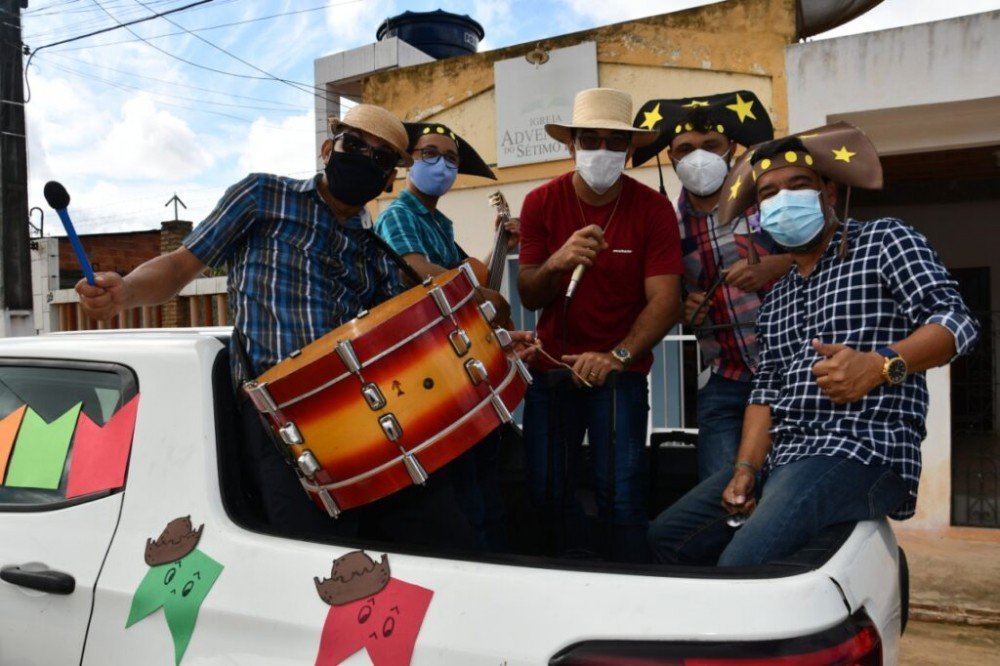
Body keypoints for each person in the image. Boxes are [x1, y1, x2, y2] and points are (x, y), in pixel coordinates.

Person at [75, 104, 480, 548]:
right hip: (279, 420)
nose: (365, 158)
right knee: (312, 556)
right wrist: (125, 291)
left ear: (389, 179)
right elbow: (179, 265)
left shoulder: (376, 249)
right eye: (354, 145)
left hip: (360, 417)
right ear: (328, 149)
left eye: (381, 157)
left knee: (439, 541)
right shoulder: (262, 196)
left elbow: (401, 338)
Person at [648, 123, 979, 567]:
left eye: (798, 185)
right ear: (759, 210)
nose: (783, 199)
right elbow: (765, 390)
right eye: (769, 193)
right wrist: (745, 469)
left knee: (740, 565)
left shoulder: (885, 240)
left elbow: (956, 321)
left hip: (863, 449)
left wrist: (880, 366)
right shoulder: (777, 296)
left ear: (828, 192)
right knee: (665, 538)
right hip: (783, 458)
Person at [517, 88, 683, 562]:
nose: (602, 151)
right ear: (571, 145)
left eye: (615, 142)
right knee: (545, 490)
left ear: (630, 150)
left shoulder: (652, 209)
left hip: (619, 375)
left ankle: (628, 588)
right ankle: (570, 572)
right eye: (591, 140)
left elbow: (666, 300)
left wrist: (617, 357)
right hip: (552, 370)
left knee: (622, 495)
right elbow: (529, 293)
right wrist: (557, 262)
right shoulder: (539, 202)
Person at [632, 91, 792, 480]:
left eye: (710, 145)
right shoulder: (667, 228)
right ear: (670, 157)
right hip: (726, 380)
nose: (698, 157)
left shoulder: (769, 200)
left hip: (792, 371)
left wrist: (775, 265)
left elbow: (826, 253)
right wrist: (686, 309)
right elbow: (666, 298)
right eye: (685, 149)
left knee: (788, 486)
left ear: (731, 148)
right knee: (721, 494)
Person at [375, 122, 519, 551]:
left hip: (451, 368)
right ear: (409, 162)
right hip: (422, 372)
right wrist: (488, 297)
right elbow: (420, 272)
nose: (442, 164)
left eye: (451, 158)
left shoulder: (439, 223)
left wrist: (500, 245)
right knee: (460, 495)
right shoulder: (399, 215)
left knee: (481, 485)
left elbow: (469, 276)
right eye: (429, 154)